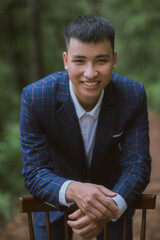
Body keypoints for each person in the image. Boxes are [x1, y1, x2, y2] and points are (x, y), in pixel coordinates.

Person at [20, 15, 151, 240]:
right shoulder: (36, 97)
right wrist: (74, 189)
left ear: (114, 59)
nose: (90, 73)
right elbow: (34, 172)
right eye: (80, 61)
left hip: (112, 197)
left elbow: (138, 165)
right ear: (65, 60)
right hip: (54, 199)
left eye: (101, 60)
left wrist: (109, 208)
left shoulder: (132, 95)